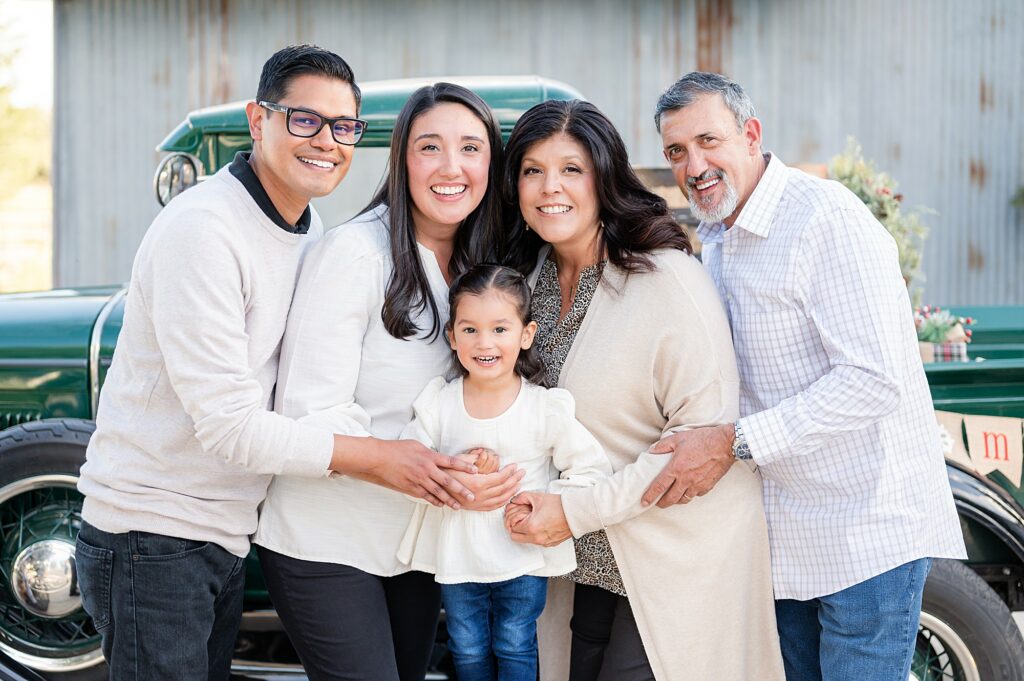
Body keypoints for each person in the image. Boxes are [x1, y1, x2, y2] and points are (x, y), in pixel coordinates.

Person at [74, 46, 478, 681]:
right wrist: (381, 456)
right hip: (153, 532)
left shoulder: (307, 227)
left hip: (221, 530)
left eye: (344, 127)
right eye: (304, 119)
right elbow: (229, 426)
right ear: (256, 120)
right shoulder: (204, 230)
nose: (327, 141)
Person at [644, 71, 967, 680]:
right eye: (676, 152)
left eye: (708, 140)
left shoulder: (825, 220)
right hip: (785, 533)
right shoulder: (717, 234)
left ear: (751, 135)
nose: (694, 164)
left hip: (866, 531)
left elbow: (872, 380)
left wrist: (733, 441)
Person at [500, 99, 785, 681]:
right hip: (579, 568)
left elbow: (693, 451)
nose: (550, 187)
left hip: (673, 559)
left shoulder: (667, 279)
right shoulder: (525, 284)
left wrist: (572, 512)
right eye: (533, 170)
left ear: (604, 178)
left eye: (571, 169)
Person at [251, 83, 523, 681]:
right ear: (401, 160)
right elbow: (308, 409)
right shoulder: (357, 253)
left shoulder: (486, 266)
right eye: (430, 147)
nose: (452, 168)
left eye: (471, 149)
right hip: (326, 540)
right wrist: (412, 463)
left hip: (417, 540)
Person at [396, 264, 611, 681]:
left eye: (499, 329)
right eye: (470, 329)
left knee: (514, 642)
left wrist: (548, 505)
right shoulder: (440, 403)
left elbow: (589, 469)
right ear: (452, 337)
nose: (484, 342)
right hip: (459, 554)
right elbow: (410, 469)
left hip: (521, 555)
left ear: (525, 335)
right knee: (467, 646)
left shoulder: (542, 406)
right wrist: (458, 471)